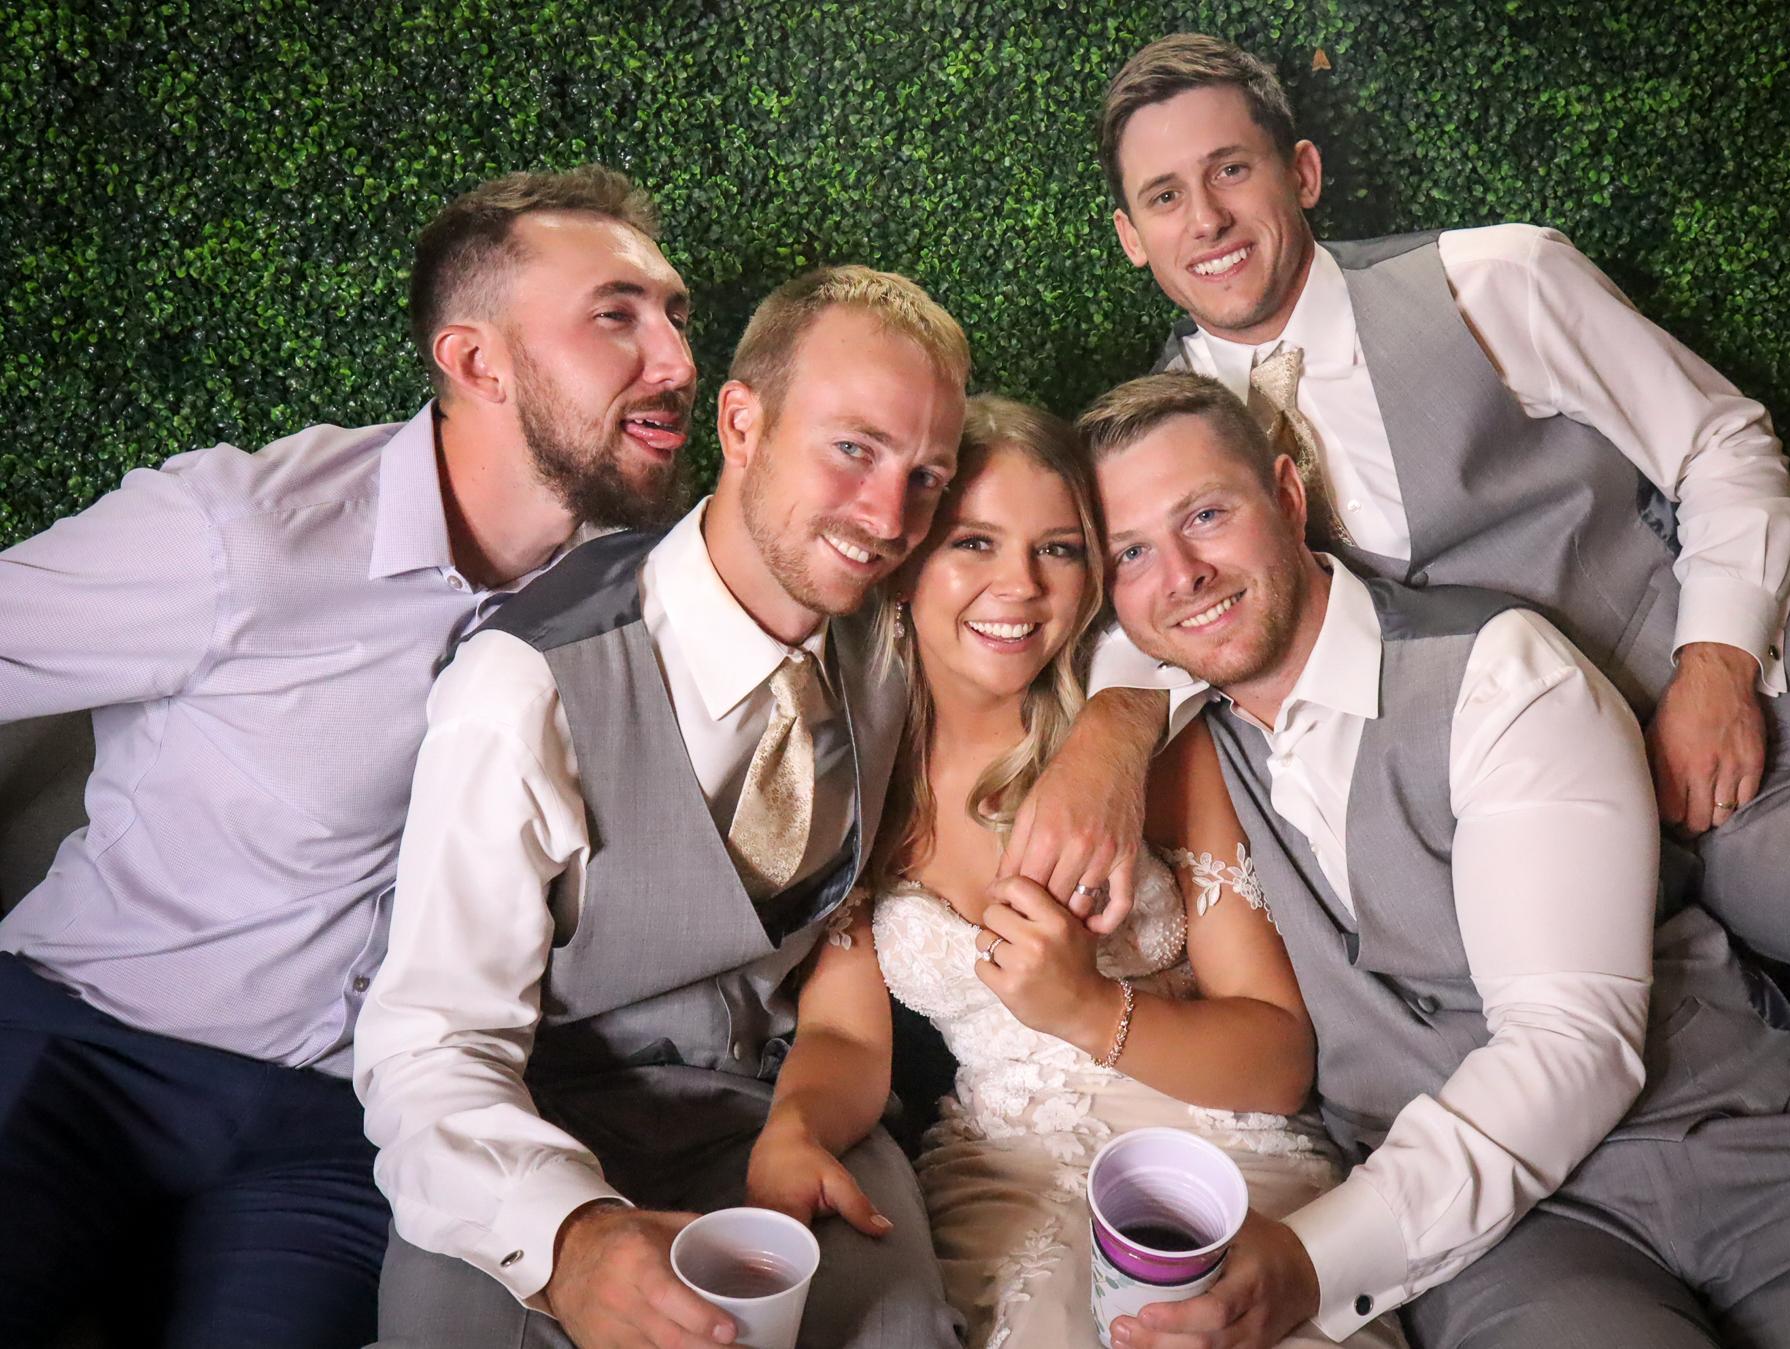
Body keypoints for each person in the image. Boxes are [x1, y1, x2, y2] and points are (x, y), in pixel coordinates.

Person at [1080, 31, 1790, 1243]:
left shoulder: (1489, 279)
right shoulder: (1149, 459)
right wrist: (1106, 736)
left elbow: (1717, 440)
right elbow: (1148, 627)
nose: (1206, 217)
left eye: (1230, 169)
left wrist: (1716, 659)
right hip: (1696, 815)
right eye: (1164, 195)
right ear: (1130, 236)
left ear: (1299, 173)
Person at [1077, 371, 1790, 1349]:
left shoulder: (1497, 673)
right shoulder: (1176, 735)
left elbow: (1572, 1043)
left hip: (1735, 1131)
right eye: (1131, 551)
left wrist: (1312, 1259)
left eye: (1206, 515)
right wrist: (1103, 734)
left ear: (1285, 495)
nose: (1181, 573)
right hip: (1504, 1248)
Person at [0, 164, 689, 1347]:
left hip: (346, 1128)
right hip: (82, 1044)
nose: (674, 358)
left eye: (675, 315)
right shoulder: (240, 533)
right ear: (475, 362)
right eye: (615, 316)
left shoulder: (648, 594)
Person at [356, 265, 993, 1349]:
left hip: (783, 1110)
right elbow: (431, 1047)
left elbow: (1129, 619)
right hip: (532, 1131)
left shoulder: (893, 634)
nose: (890, 517)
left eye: (925, 475)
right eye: (853, 448)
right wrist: (570, 1240)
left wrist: (1119, 733)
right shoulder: (524, 689)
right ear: (742, 423)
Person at [740, 394, 1408, 1349]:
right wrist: (796, 1128)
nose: (1019, 585)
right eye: (974, 542)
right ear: (905, 563)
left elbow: (1278, 1060)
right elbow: (846, 1034)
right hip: (1006, 1173)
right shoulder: (860, 782)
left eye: (1057, 549)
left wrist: (1089, 1007)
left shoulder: (1153, 753)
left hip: (1222, 1154)